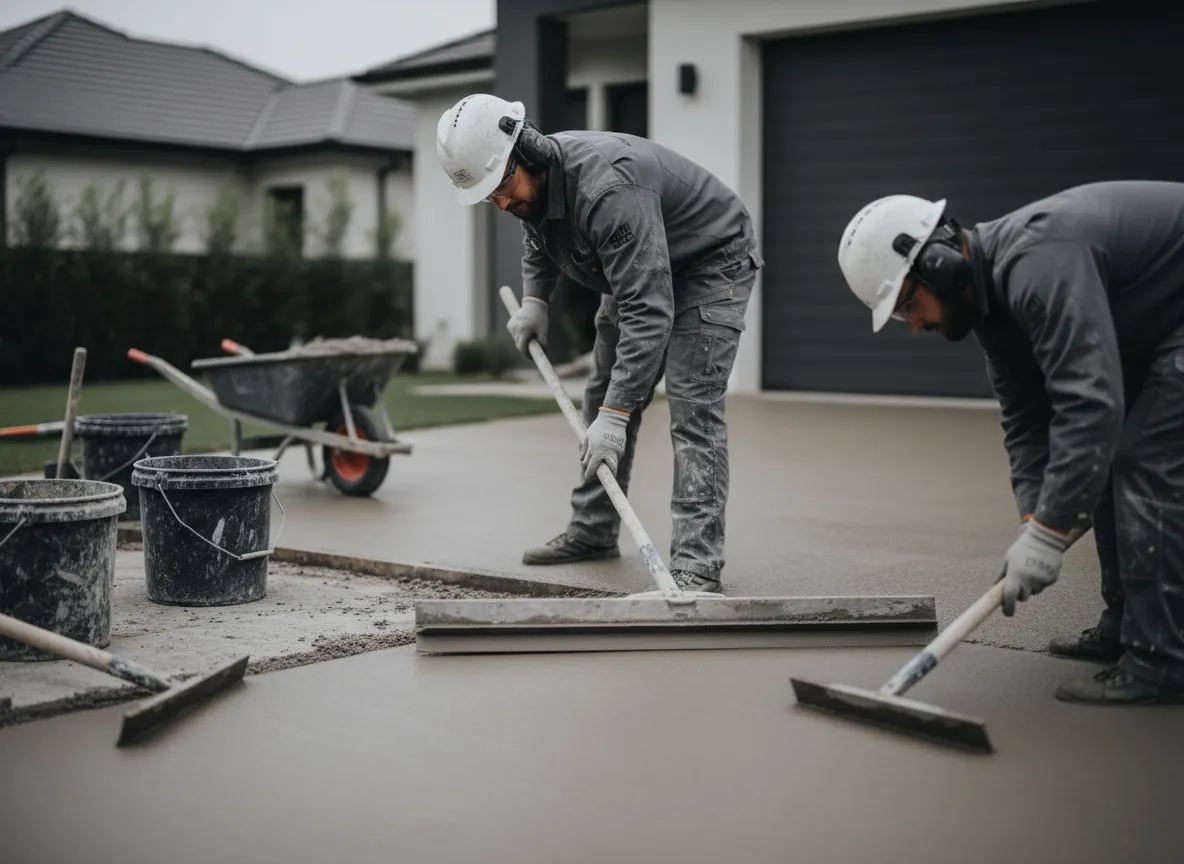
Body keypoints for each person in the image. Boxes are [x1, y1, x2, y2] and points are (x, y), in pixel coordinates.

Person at [835, 181, 1184, 705]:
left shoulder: (1038, 264)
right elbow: (1026, 423)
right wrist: (1034, 521)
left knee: (1143, 457)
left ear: (939, 265)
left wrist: (1048, 533)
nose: (915, 325)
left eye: (908, 305)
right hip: (1161, 322)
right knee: (1106, 457)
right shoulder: (994, 316)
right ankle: (1127, 623)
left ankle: (1161, 660)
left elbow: (1090, 405)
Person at [434, 93, 764, 594]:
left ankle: (697, 564)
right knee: (601, 396)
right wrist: (535, 300)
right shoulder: (533, 184)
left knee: (692, 406)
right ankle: (592, 531)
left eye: (500, 186)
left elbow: (649, 311)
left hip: (710, 259)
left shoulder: (609, 189)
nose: (500, 203)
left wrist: (618, 415)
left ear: (527, 151)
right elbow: (538, 230)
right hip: (639, 266)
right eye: (488, 196)